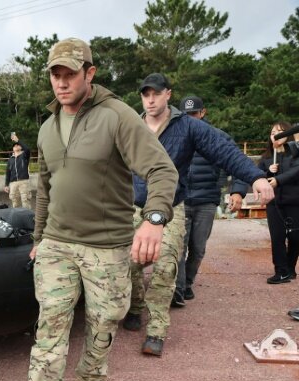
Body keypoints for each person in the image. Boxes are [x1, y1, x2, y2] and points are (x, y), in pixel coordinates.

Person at [5, 38, 179, 381]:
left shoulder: (117, 117)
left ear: (90, 73)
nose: (62, 83)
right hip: (57, 245)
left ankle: (93, 373)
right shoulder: (47, 127)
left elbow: (161, 171)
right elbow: (45, 188)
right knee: (51, 322)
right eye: (56, 75)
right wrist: (40, 237)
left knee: (104, 320)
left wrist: (153, 220)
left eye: (70, 74)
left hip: (107, 246)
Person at [123, 74, 273, 357]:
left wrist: (255, 177)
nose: (151, 99)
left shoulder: (188, 127)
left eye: (156, 93)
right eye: (146, 94)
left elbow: (223, 150)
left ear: (168, 94)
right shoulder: (131, 125)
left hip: (170, 205)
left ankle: (157, 328)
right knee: (129, 264)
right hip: (134, 206)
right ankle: (135, 304)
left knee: (166, 265)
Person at [173, 95, 249, 305]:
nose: (191, 118)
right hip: (180, 201)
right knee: (178, 247)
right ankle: (177, 290)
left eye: (195, 114)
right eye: (186, 115)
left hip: (206, 200)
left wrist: (237, 191)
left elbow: (239, 164)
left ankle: (187, 283)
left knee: (198, 249)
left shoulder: (218, 137)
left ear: (203, 112)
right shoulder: (173, 136)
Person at [257, 121, 299, 283]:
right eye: (273, 131)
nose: (275, 134)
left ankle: (290, 267)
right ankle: (281, 271)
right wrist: (268, 171)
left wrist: (278, 179)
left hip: (294, 201)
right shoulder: (267, 158)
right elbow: (257, 176)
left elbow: (296, 172)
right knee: (277, 237)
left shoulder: (294, 154)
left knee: (295, 237)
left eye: (280, 131)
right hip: (274, 203)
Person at [4, 133, 32, 208]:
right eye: (14, 145)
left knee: (25, 201)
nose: (16, 146)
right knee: (15, 203)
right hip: (13, 183)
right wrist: (6, 184)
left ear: (21, 147)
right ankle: (17, 218)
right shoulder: (10, 160)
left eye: (17, 145)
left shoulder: (24, 155)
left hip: (24, 182)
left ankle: (28, 218)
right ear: (12, 149)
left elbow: (27, 149)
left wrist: (18, 140)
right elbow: (8, 172)